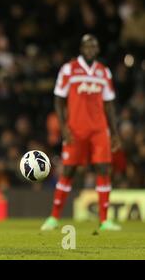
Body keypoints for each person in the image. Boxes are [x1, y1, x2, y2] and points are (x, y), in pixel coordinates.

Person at [41, 34, 122, 231]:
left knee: (103, 169)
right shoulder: (69, 69)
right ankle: (54, 217)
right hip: (75, 129)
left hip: (99, 129)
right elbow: (59, 100)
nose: (90, 49)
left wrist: (115, 132)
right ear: (81, 48)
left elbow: (109, 105)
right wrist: (63, 127)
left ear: (98, 49)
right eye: (87, 46)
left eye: (94, 46)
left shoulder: (104, 72)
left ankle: (104, 221)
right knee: (69, 171)